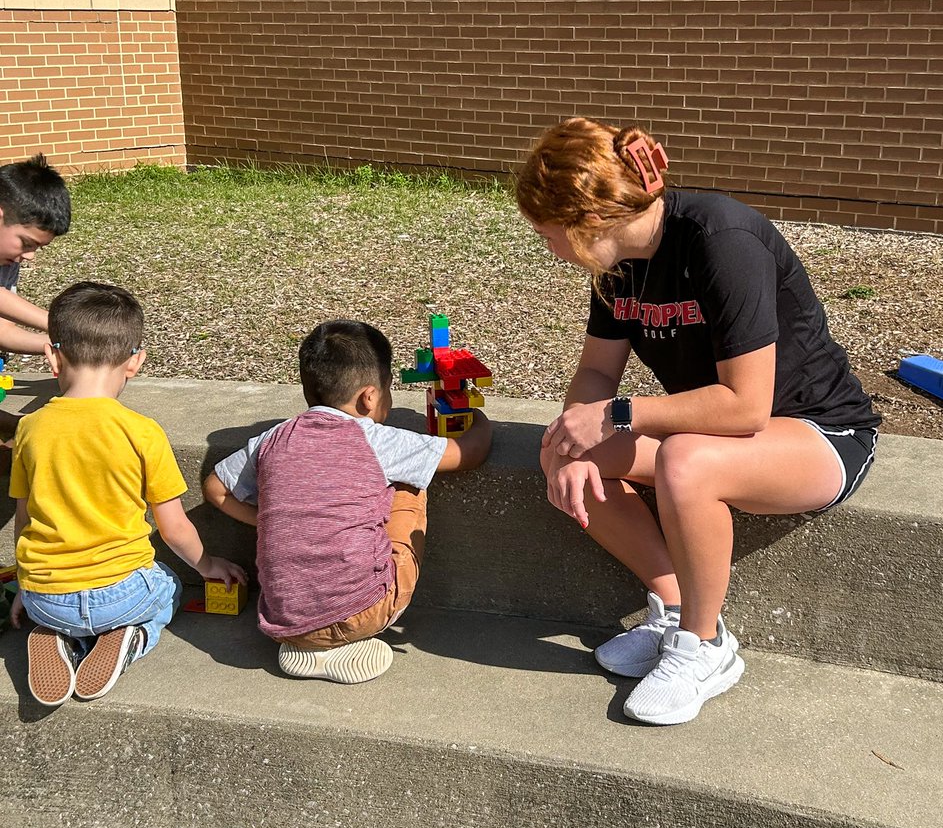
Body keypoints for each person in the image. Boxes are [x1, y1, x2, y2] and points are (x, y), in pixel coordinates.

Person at [515, 117, 881, 725]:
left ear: (592, 219)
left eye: (549, 232)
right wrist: (577, 426)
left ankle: (707, 646)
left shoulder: (721, 238)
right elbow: (598, 375)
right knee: (562, 451)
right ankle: (677, 608)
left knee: (686, 460)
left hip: (819, 434)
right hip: (719, 435)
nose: (549, 247)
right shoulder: (620, 263)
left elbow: (745, 406)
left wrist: (618, 415)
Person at [203, 320, 492, 684]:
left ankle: (310, 647)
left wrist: (273, 520)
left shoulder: (272, 438)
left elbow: (215, 488)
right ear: (369, 397)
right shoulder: (376, 440)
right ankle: (347, 638)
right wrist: (479, 419)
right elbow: (470, 453)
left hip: (283, 617)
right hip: (365, 611)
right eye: (388, 392)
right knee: (410, 482)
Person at [8, 281, 246, 707]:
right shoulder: (142, 432)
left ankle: (62, 638)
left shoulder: (29, 429)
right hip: (120, 594)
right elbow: (173, 528)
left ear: (51, 356)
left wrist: (28, 587)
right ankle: (130, 637)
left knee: (60, 608)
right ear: (135, 362)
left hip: (45, 598)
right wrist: (207, 565)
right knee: (169, 585)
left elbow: (23, 521)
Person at [0, 154, 71, 440]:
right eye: (26, 243)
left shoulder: (6, 261)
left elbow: (3, 330)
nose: (29, 256)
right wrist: (60, 323)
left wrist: (62, 345)